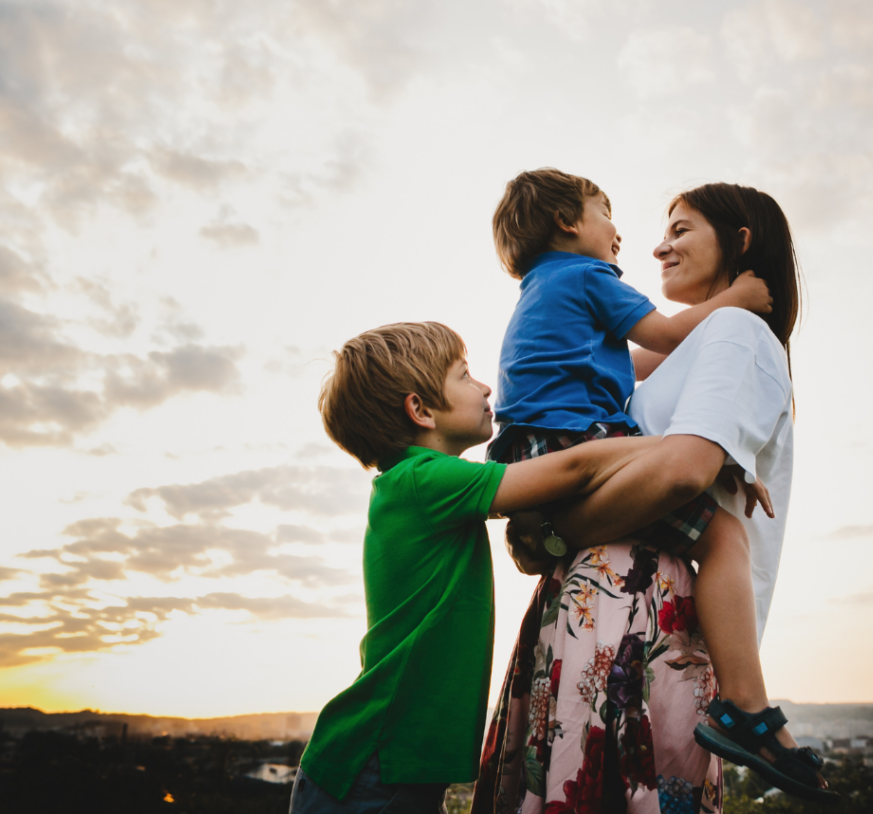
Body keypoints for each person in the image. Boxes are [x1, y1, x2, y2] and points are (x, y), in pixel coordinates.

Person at [473, 181, 835, 812]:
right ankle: (748, 709)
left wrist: (554, 531)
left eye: (680, 230)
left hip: (620, 605)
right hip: (612, 602)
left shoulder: (732, 330)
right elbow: (669, 444)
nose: (657, 246)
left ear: (739, 242)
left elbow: (681, 469)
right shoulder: (677, 336)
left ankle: (746, 706)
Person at [291, 321, 665, 814]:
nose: (486, 386)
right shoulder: (420, 481)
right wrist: (689, 447)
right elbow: (575, 469)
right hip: (372, 766)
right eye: (465, 375)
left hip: (395, 766)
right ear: (419, 410)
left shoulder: (424, 489)